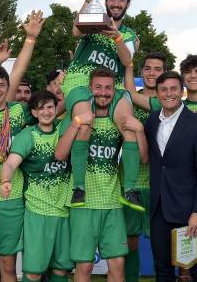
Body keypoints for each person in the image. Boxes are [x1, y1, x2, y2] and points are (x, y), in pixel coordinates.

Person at [55, 67, 148, 282]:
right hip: (84, 204)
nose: (103, 93)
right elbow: (60, 154)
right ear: (90, 88)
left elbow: (144, 157)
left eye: (108, 88)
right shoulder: (78, 116)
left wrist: (140, 129)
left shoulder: (120, 119)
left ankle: (130, 189)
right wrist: (77, 122)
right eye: (98, 87)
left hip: (112, 201)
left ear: (114, 91)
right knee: (84, 266)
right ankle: (80, 186)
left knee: (118, 263)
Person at [62, 0, 142, 209]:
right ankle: (79, 188)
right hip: (81, 80)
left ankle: (129, 189)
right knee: (85, 122)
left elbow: (127, 61)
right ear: (105, 1)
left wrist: (116, 37)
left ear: (127, 4)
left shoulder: (128, 33)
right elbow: (76, 30)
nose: (116, 3)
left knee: (128, 124)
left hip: (112, 86)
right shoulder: (94, 19)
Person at [0, 90, 72, 282]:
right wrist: (5, 181)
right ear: (34, 112)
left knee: (61, 270)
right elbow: (10, 163)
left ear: (56, 109)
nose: (47, 112)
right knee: (33, 272)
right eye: (41, 108)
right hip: (38, 211)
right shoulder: (28, 135)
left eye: (50, 107)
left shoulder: (64, 129)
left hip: (64, 211)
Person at [145, 71, 197, 281]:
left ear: (181, 91)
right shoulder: (152, 121)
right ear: (157, 94)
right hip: (159, 209)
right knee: (162, 268)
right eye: (163, 89)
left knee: (196, 269)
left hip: (188, 210)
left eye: (173, 89)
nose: (169, 94)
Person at [122, 52, 167, 281]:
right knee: (130, 241)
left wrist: (127, 58)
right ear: (142, 72)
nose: (151, 73)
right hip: (131, 182)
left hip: (158, 182)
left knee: (162, 241)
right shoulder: (127, 101)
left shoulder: (167, 101)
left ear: (164, 73)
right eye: (147, 68)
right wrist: (128, 60)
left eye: (157, 69)